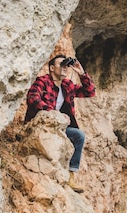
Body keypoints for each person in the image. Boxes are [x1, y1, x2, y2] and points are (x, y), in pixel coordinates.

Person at [24, 54, 96, 193]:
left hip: (60, 127)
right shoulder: (43, 81)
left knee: (79, 135)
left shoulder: (67, 85)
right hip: (42, 126)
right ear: (51, 68)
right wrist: (53, 112)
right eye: (61, 65)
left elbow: (90, 92)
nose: (65, 68)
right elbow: (32, 99)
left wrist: (81, 73)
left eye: (66, 65)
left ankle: (70, 176)